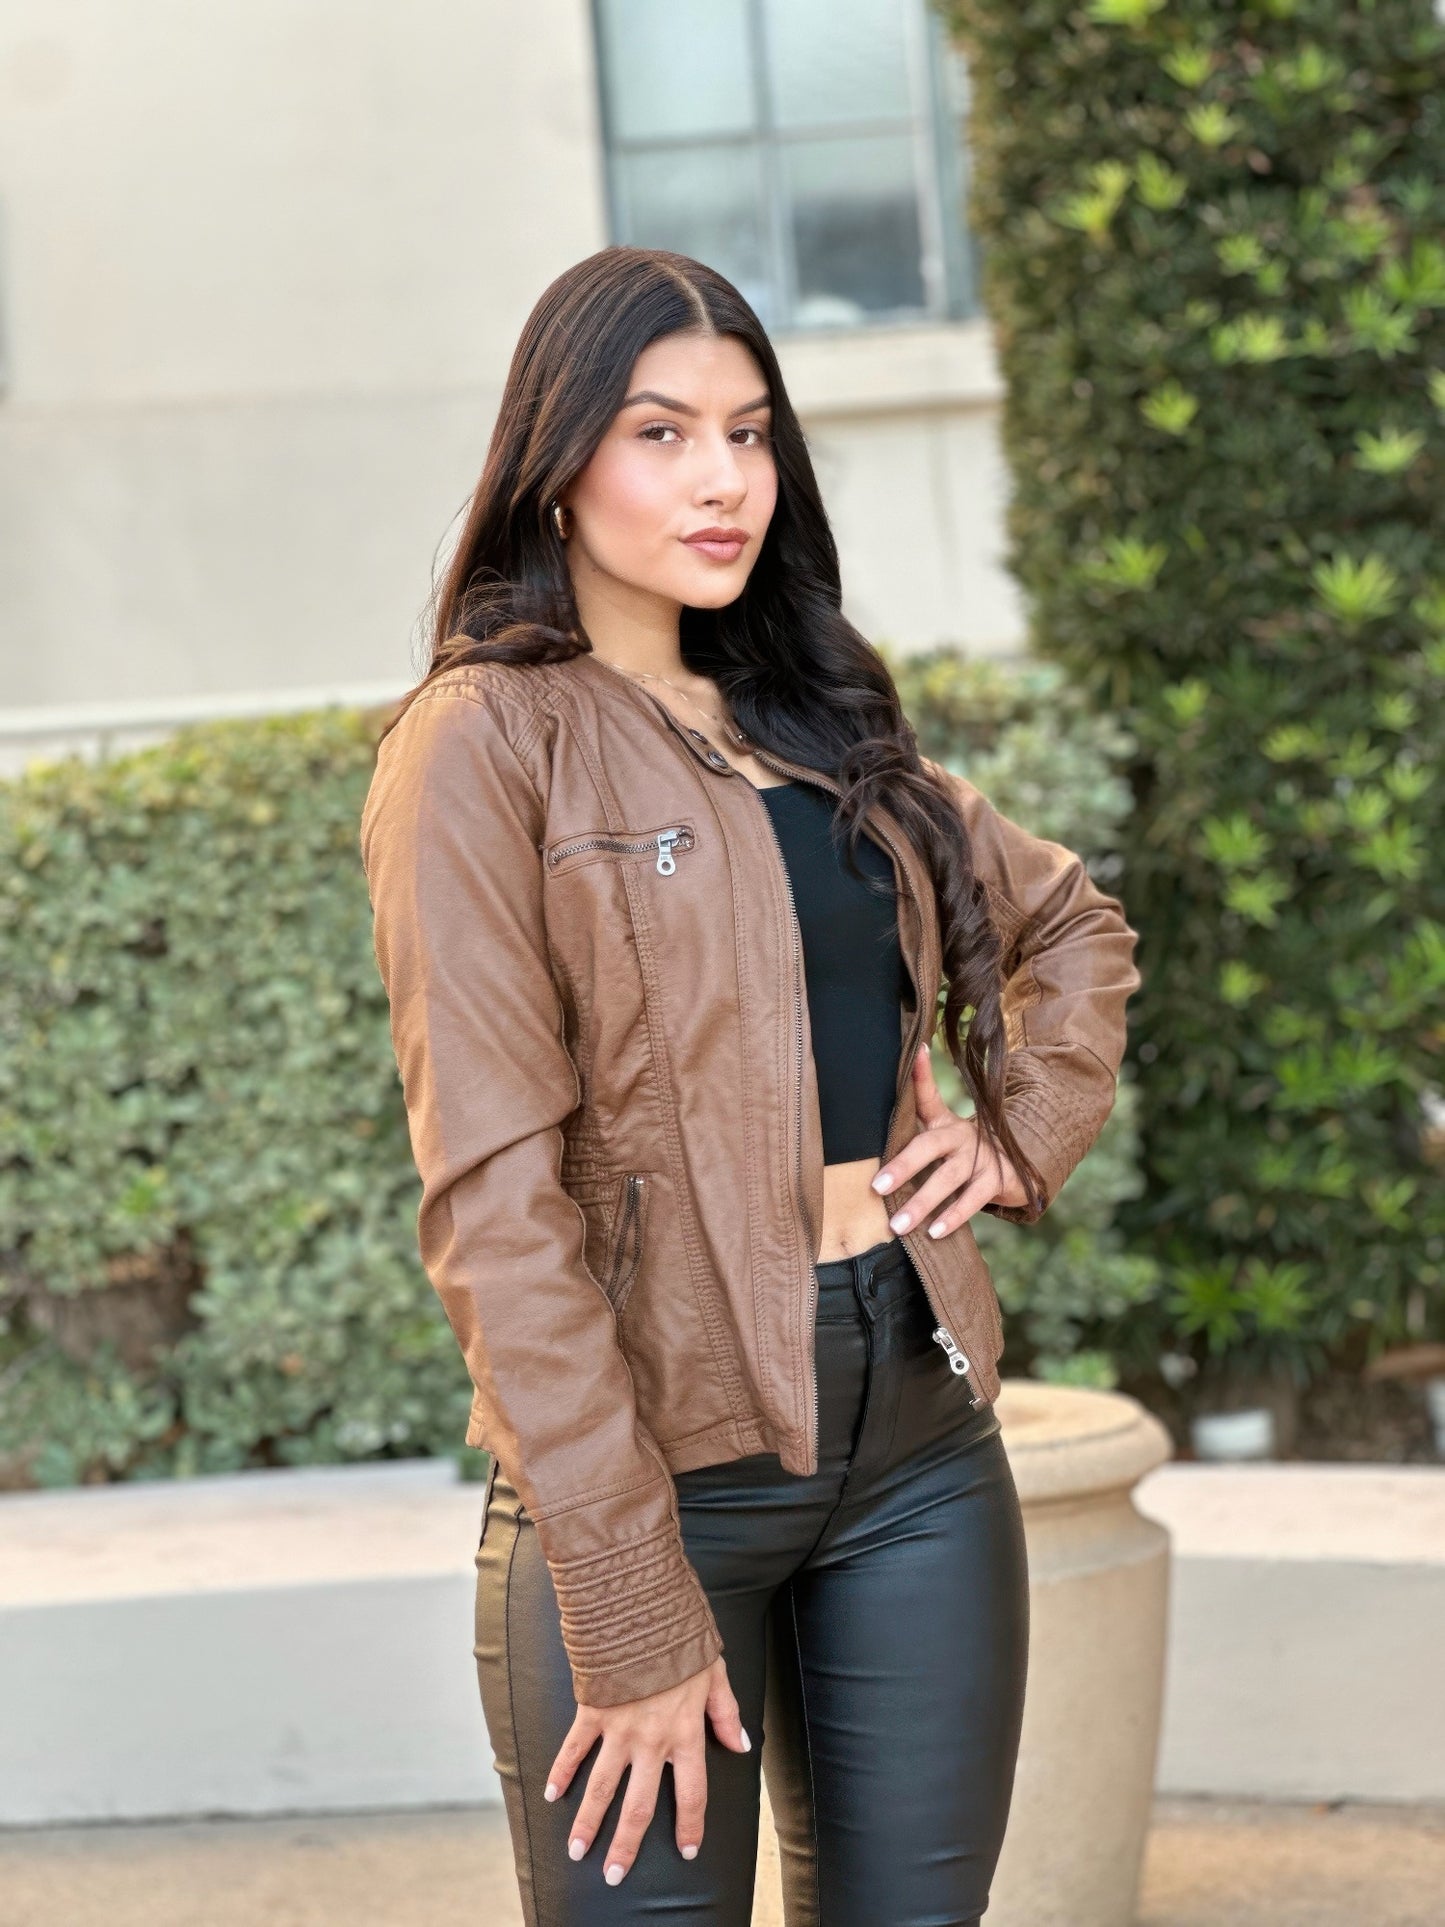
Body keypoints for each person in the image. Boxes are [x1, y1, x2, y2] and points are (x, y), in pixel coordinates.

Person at [361, 245, 1142, 1926]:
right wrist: (627, 1595)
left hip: (918, 1440)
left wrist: (1021, 1133)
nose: (721, 479)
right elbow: (494, 1206)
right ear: (555, 462)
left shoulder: (810, 717)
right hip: (660, 1468)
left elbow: (1069, 925)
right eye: (659, 433)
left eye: (748, 432)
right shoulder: (485, 740)